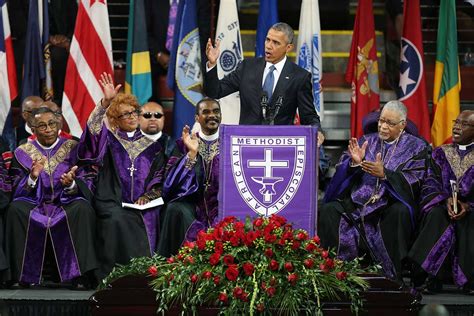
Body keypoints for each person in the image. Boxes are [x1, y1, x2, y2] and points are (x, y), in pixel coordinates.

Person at [318, 101, 430, 281]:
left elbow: (416, 179)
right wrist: (354, 163)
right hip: (359, 203)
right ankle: (337, 273)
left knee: (399, 213)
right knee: (329, 210)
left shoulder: (416, 147)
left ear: (402, 124)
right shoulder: (366, 141)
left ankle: (391, 275)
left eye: (390, 123)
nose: (383, 127)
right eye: (381, 121)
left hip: (390, 204)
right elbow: (342, 171)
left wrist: (385, 174)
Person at [78, 73, 166, 280]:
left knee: (150, 216)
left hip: (143, 203)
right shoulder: (108, 141)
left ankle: (144, 276)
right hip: (112, 201)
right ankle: (114, 277)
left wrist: (150, 196)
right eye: (126, 114)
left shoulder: (153, 147)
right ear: (115, 120)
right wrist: (105, 103)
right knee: (117, 218)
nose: (133, 116)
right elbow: (92, 131)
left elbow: (159, 176)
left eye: (134, 112)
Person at [5, 107, 97, 287]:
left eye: (52, 124)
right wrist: (32, 177)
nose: (48, 128)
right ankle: (21, 276)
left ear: (59, 125)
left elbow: (88, 178)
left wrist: (71, 183)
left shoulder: (74, 148)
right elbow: (15, 186)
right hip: (35, 202)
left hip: (66, 201)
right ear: (33, 130)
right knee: (16, 209)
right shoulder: (22, 152)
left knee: (82, 209)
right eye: (41, 125)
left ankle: (80, 276)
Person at [205, 22, 324, 145]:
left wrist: (318, 131)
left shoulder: (299, 77)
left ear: (288, 48)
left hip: (281, 147)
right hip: (247, 144)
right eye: (268, 40)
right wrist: (212, 65)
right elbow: (215, 91)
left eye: (276, 43)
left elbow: (308, 115)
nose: (269, 46)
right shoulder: (247, 67)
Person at [408, 110, 474, 294]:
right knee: (436, 216)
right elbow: (430, 184)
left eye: (464, 124)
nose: (456, 127)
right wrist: (444, 201)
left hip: (471, 210)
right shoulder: (440, 153)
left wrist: (467, 206)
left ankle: (469, 280)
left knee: (468, 220)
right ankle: (428, 277)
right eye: (456, 122)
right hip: (442, 206)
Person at [157, 98, 221, 257]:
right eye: (206, 112)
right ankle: (178, 266)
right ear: (197, 118)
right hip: (194, 207)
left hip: (221, 206)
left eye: (216, 111)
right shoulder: (182, 144)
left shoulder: (231, 143)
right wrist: (191, 155)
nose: (212, 115)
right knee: (174, 208)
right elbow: (169, 187)